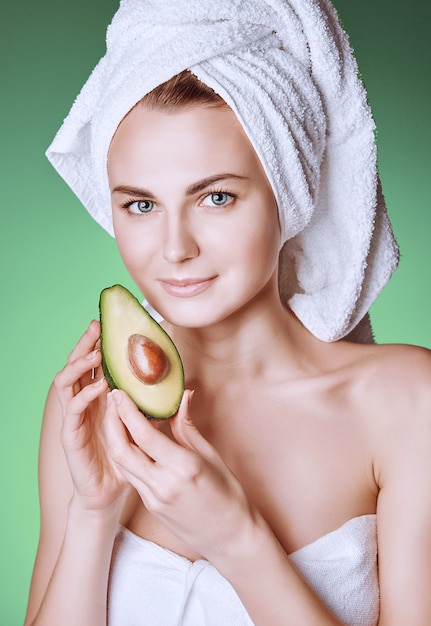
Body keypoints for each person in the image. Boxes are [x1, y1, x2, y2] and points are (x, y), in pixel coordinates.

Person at [24, 1, 431, 625]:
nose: (176, 247)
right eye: (140, 206)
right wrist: (93, 514)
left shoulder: (406, 403)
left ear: (287, 194)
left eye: (216, 197)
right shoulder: (89, 406)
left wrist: (236, 538)